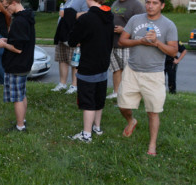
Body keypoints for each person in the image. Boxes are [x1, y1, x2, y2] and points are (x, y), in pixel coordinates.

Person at [117, 0, 178, 156]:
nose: (150, 6)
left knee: (153, 112)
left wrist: (157, 42)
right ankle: (131, 121)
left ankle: (152, 145)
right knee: (123, 106)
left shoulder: (169, 25)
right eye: (148, 2)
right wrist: (140, 41)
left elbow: (173, 51)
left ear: (162, 6)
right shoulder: (135, 20)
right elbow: (122, 41)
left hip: (154, 74)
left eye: (155, 3)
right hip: (132, 70)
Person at [68, 0, 114, 142]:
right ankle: (97, 127)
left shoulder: (86, 18)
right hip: (103, 63)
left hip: (88, 64)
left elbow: (72, 40)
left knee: (88, 101)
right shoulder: (109, 16)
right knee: (99, 98)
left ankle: (86, 135)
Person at [0, 0, 35, 131]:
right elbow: (22, 40)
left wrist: (3, 45)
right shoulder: (26, 17)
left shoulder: (19, 21)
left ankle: (20, 126)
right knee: (22, 94)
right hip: (25, 63)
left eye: (7, 7)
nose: (7, 10)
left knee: (17, 97)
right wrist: (8, 40)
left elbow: (18, 49)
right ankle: (22, 120)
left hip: (17, 64)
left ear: (13, 3)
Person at [106, 0, 145, 99]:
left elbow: (141, 27)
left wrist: (124, 30)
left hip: (127, 45)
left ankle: (130, 95)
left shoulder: (136, 5)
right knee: (116, 69)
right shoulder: (115, 3)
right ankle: (116, 92)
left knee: (128, 71)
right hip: (112, 43)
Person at [52, 0, 88, 94]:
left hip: (74, 35)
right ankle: (62, 84)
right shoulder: (68, 2)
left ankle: (74, 85)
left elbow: (87, 15)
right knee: (62, 59)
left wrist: (81, 37)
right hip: (63, 35)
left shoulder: (83, 1)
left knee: (75, 62)